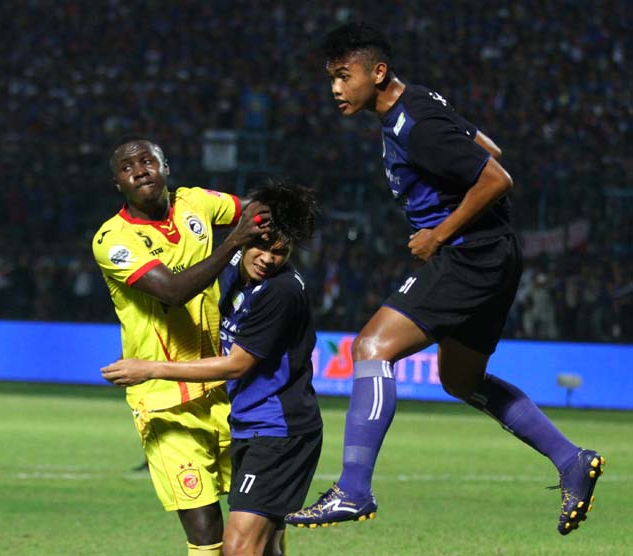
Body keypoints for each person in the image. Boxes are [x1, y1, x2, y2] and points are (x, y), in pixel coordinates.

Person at [284, 22, 604, 536]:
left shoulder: (415, 123)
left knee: (370, 348)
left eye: (344, 76)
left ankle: (353, 489)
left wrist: (438, 233)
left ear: (378, 72)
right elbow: (490, 149)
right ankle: (570, 460)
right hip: (494, 255)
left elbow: (497, 177)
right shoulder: (422, 103)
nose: (335, 89)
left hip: (467, 256)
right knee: (460, 380)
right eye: (332, 79)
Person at [103, 180, 322, 556]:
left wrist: (151, 369)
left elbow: (236, 365)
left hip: (280, 431)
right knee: (265, 544)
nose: (268, 258)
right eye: (262, 247)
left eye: (280, 253)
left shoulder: (279, 292)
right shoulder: (237, 269)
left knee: (237, 547)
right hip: (248, 424)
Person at [92, 135, 271, 556]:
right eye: (126, 167)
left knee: (261, 521)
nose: (138, 169)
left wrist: (269, 235)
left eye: (146, 160)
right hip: (164, 401)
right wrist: (233, 244)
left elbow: (256, 211)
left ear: (165, 167)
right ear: (118, 183)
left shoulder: (196, 203)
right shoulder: (113, 240)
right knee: (206, 528)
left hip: (225, 391)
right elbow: (171, 291)